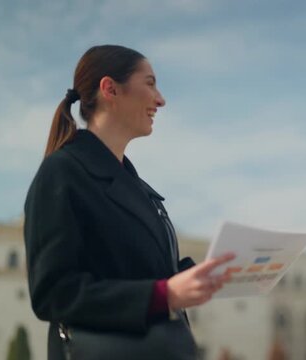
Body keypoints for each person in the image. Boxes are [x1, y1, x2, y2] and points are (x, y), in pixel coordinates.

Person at [24, 44, 235, 360]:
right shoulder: (62, 173)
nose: (160, 99)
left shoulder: (140, 190)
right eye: (150, 83)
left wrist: (211, 272)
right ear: (110, 89)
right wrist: (166, 295)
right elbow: (54, 294)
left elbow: (140, 272)